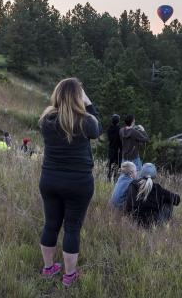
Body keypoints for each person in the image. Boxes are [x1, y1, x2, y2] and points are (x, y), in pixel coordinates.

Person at [38, 78, 102, 288]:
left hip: (50, 179)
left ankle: (48, 269)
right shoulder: (85, 120)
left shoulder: (46, 119)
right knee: (72, 228)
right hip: (78, 181)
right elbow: (97, 128)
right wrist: (88, 102)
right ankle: (69, 276)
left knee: (51, 224)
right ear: (78, 97)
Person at [107, 114, 123, 182]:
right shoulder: (119, 129)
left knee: (110, 164)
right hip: (118, 150)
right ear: (118, 121)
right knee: (117, 165)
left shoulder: (109, 129)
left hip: (111, 148)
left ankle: (109, 178)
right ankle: (115, 179)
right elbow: (120, 140)